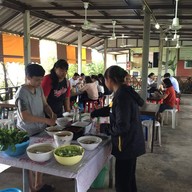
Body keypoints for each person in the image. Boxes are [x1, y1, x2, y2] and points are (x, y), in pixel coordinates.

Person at [91, 65, 145, 192]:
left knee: (122, 184)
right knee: (129, 179)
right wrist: (95, 113)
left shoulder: (122, 97)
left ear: (109, 79)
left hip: (126, 145)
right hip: (131, 142)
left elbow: (122, 126)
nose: (105, 83)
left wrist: (104, 127)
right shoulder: (124, 91)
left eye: (105, 79)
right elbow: (112, 109)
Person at [15, 64, 56, 192]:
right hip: (27, 131)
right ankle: (32, 188)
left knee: (41, 156)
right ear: (28, 77)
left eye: (41, 79)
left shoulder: (38, 89)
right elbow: (25, 116)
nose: (40, 82)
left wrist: (51, 113)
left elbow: (45, 104)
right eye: (37, 80)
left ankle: (39, 184)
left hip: (40, 129)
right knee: (29, 161)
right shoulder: (22, 93)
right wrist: (46, 120)